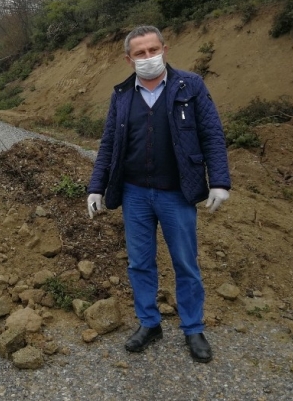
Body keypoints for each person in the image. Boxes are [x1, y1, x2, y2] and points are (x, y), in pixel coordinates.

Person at [87, 25, 231, 364]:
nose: (148, 57)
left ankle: (193, 328)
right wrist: (96, 187)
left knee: (185, 262)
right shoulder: (122, 95)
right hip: (134, 193)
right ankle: (149, 323)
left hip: (177, 193)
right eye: (140, 53)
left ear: (165, 48)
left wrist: (220, 182)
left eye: (153, 49)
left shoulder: (190, 86)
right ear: (128, 58)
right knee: (139, 263)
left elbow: (212, 134)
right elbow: (109, 144)